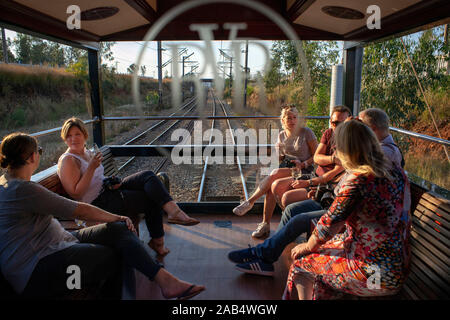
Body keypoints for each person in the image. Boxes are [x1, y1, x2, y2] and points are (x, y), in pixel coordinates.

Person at [0, 132, 205, 300]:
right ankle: (162, 282)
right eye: (39, 151)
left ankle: (166, 281)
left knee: (119, 231)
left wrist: (117, 220)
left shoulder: (8, 183)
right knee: (116, 254)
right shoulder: (22, 190)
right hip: (36, 268)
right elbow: (79, 209)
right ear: (32, 157)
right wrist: (116, 216)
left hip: (56, 244)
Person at [228, 108, 410, 277]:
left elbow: (334, 219)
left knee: (301, 249)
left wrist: (309, 246)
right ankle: (267, 253)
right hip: (384, 249)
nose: (337, 152)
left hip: (374, 268)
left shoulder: (367, 172)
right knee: (292, 210)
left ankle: (266, 254)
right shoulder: (379, 166)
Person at [283, 120, 411, 300]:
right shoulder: (395, 171)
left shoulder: (359, 180)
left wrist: (308, 245)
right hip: (398, 265)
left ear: (345, 149)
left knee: (301, 263)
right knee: (322, 257)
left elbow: (329, 224)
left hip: (374, 275)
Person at [57, 117, 199, 257]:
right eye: (69, 136)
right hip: (97, 204)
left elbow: (97, 178)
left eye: (77, 134)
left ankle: (174, 211)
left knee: (148, 176)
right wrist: (91, 168)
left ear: (84, 135)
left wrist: (111, 181)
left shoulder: (87, 152)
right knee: (151, 199)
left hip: (109, 190)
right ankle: (158, 241)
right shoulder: (68, 160)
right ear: (64, 139)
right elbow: (75, 194)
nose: (73, 139)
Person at [232, 105, 318, 238]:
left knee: (274, 175)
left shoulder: (307, 132)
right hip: (289, 170)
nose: (292, 120)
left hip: (306, 171)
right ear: (283, 120)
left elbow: (316, 155)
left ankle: (250, 202)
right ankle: (265, 224)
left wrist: (304, 163)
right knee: (272, 185)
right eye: (289, 118)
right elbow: (278, 157)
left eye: (295, 117)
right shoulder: (281, 135)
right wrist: (278, 156)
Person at [268, 105, 351, 211]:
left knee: (285, 197)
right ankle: (268, 220)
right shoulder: (329, 133)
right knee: (275, 185)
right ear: (330, 122)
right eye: (335, 123)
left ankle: (290, 217)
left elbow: (331, 173)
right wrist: (333, 159)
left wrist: (308, 182)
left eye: (342, 123)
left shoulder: (350, 142)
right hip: (314, 175)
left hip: (326, 183)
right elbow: (317, 157)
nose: (338, 127)